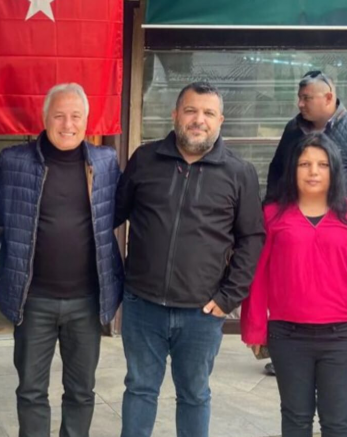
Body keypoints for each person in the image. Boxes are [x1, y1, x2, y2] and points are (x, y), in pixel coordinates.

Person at [115, 81, 265, 437]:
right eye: (191, 110)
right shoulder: (145, 159)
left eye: (208, 113)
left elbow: (252, 238)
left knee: (194, 395)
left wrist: (228, 297)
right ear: (175, 114)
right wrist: (120, 281)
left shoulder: (239, 172)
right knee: (139, 389)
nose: (199, 120)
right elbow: (113, 215)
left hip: (202, 312)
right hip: (142, 305)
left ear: (220, 120)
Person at [0, 83, 124, 437]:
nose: (68, 124)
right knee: (31, 391)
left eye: (76, 116)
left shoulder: (105, 162)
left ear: (87, 121)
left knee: (81, 391)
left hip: (87, 301)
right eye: (59, 116)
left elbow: (126, 210)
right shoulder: (13, 162)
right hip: (33, 299)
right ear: (44, 117)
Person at [241, 133, 347, 437]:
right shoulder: (272, 216)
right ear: (292, 169)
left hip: (343, 337)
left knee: (338, 423)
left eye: (322, 164)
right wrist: (255, 327)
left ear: (335, 170)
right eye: (304, 164)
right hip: (288, 336)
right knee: (295, 419)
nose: (313, 171)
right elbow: (258, 277)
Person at [265, 70, 347, 205]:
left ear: (328, 98)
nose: (300, 104)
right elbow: (276, 170)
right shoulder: (293, 128)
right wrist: (273, 206)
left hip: (340, 215)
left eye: (306, 98)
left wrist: (343, 208)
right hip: (294, 214)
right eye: (299, 98)